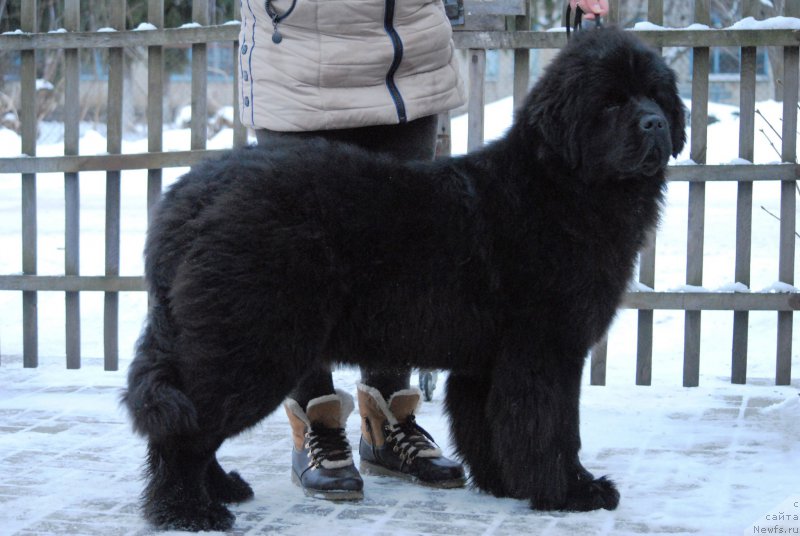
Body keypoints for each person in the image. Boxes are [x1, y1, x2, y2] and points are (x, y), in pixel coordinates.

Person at [238, 0, 467, 501]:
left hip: (407, 52)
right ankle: (315, 426)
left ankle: (389, 425)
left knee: (401, 258)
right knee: (300, 259)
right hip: (298, 51)